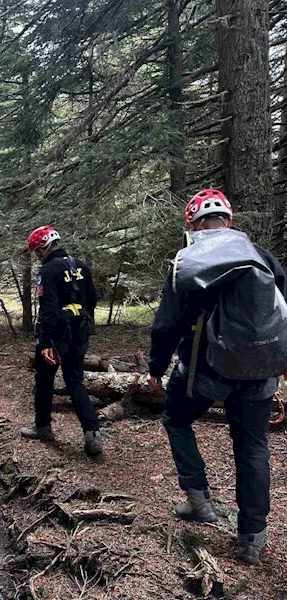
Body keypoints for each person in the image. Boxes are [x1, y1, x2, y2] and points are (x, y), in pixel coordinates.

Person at [148, 189, 286, 565]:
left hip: (205, 370)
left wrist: (155, 371)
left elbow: (166, 326)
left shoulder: (190, 261)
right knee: (252, 446)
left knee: (176, 419)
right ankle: (252, 538)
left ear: (191, 223)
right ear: (230, 220)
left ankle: (198, 499)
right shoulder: (263, 258)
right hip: (260, 374)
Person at [20, 226, 101, 457]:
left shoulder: (48, 270)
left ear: (43, 247)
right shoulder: (82, 266)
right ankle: (92, 431)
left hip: (57, 335)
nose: (37, 254)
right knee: (75, 381)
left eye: (37, 250)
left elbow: (47, 308)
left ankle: (42, 427)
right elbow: (92, 300)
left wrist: (45, 341)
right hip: (80, 332)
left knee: (44, 380)